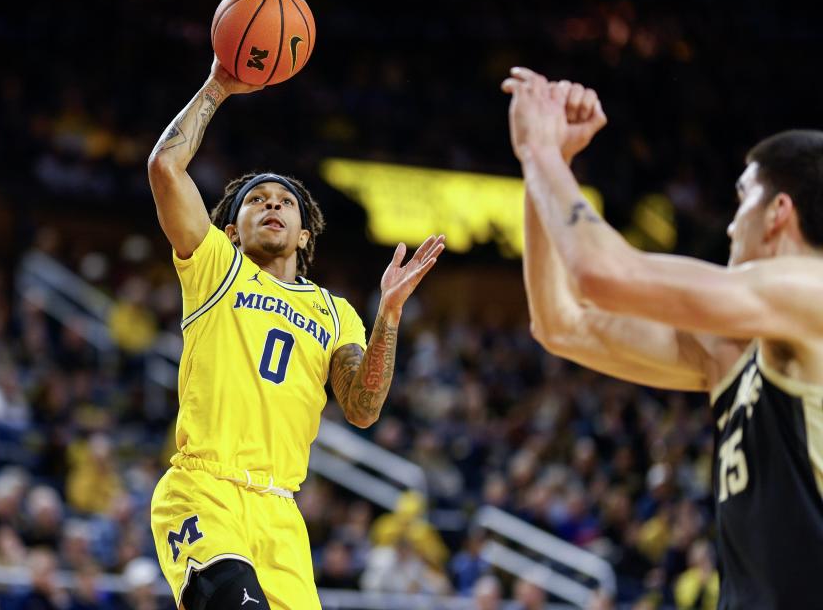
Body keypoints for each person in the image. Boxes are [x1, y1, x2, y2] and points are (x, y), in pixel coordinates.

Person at [504, 66, 823, 609]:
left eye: (742, 197)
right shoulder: (735, 349)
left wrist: (542, 154)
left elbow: (604, 273)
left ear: (778, 213)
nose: (729, 224)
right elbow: (560, 322)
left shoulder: (813, 293)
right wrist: (553, 167)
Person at [146, 57, 444, 610]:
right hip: (205, 490)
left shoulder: (336, 314)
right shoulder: (215, 266)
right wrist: (219, 86)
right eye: (256, 200)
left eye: (285, 202)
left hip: (282, 514)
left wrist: (391, 314)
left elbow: (362, 406)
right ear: (231, 230)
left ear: (305, 233)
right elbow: (166, 167)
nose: (272, 205)